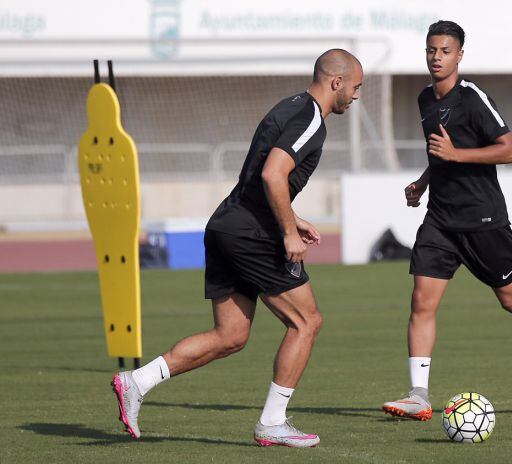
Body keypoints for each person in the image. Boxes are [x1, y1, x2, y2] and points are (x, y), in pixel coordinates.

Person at [112, 49, 364, 447]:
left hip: (226, 225)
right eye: (356, 87)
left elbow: (260, 177)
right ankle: (273, 422)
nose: (356, 95)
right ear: (337, 83)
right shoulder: (311, 119)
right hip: (252, 234)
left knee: (230, 335)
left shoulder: (289, 106)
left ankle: (135, 381)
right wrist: (286, 232)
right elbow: (271, 173)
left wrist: (293, 218)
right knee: (306, 321)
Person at [382, 21, 512, 421]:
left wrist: (457, 156)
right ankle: (419, 395)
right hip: (440, 219)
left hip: (483, 217)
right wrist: (423, 182)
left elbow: (510, 150)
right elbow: (440, 152)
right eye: (431, 50)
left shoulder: (472, 99)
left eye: (445, 51)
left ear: (459, 56)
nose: (437, 58)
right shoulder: (425, 100)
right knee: (422, 300)